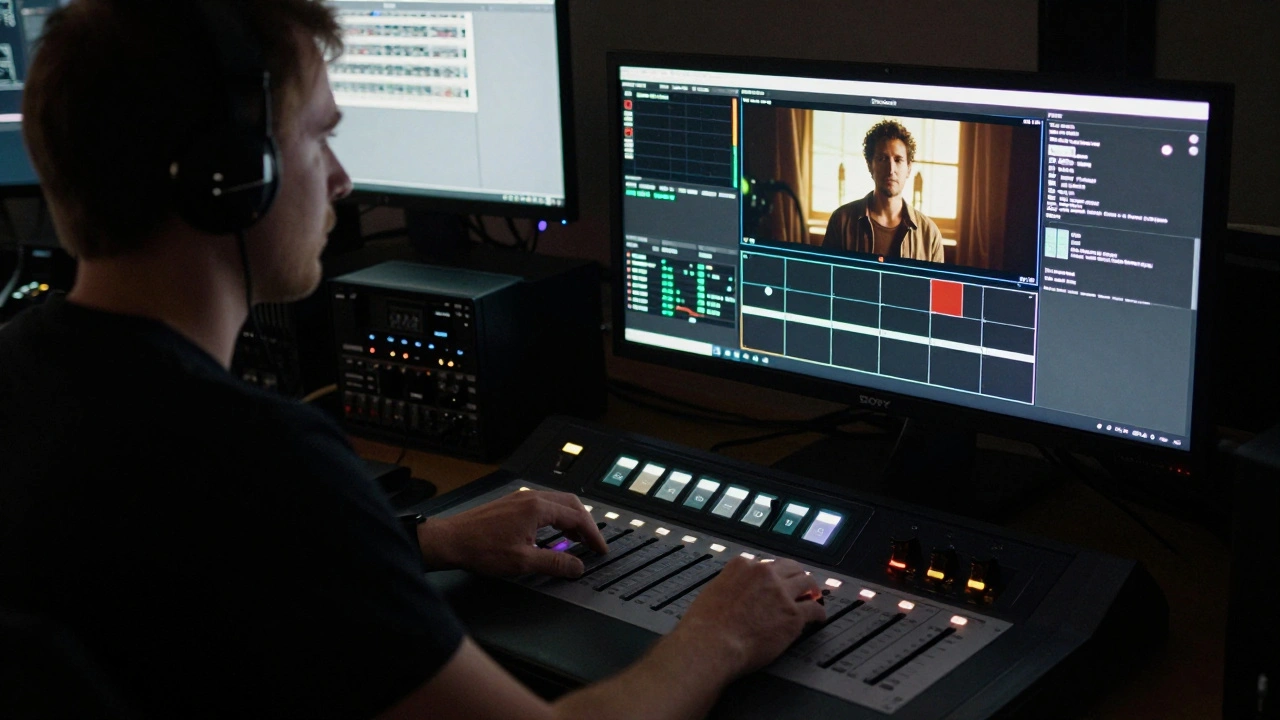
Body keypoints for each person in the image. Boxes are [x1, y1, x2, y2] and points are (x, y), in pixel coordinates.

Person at [0, 1, 825, 718]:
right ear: (229, 178)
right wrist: (718, 634)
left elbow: (173, 571)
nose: (343, 180)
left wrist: (424, 541)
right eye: (319, 138)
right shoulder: (266, 463)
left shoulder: (24, 372)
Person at [822, 119, 945, 263]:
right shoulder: (841, 221)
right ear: (870, 165)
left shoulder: (929, 234)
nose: (891, 170)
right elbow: (826, 280)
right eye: (882, 159)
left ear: (909, 168)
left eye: (898, 160)